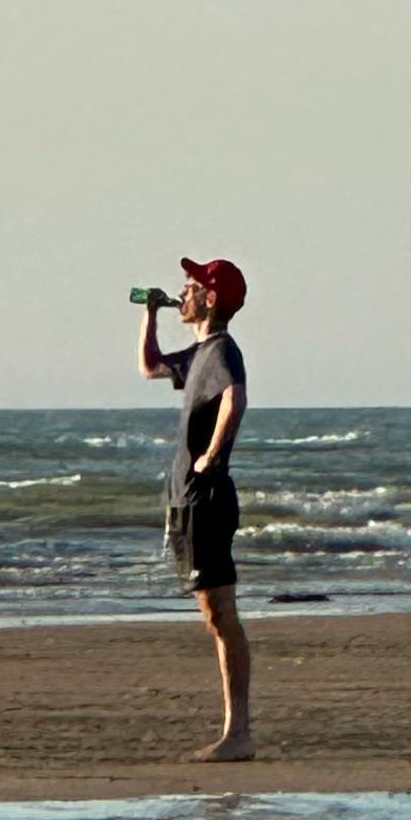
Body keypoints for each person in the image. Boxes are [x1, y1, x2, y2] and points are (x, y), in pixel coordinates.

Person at [139, 256, 251, 760]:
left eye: (190, 287)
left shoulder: (224, 350)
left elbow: (236, 399)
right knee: (212, 612)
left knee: (221, 612)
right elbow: (150, 366)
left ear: (211, 299)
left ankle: (238, 734)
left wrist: (212, 453)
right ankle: (235, 733)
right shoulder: (199, 353)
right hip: (186, 498)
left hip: (206, 496)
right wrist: (152, 313)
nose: (182, 292)